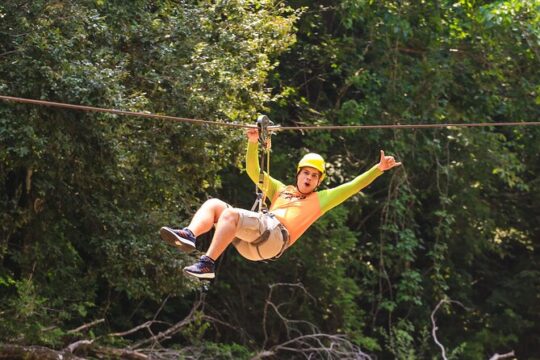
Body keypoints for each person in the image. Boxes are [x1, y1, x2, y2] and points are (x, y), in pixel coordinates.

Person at [160, 128, 401, 279]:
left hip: (274, 238)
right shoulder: (279, 189)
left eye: (314, 175)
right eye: (305, 173)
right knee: (215, 205)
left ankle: (207, 263)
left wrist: (378, 169)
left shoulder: (321, 200)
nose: (308, 178)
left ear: (318, 181)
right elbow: (253, 170)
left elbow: (353, 186)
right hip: (252, 243)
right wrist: (253, 142)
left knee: (231, 215)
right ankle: (190, 234)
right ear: (298, 174)